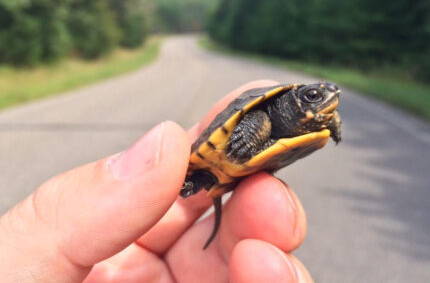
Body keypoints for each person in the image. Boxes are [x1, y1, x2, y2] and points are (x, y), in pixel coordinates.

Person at [0, 81, 314, 282]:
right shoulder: (267, 112)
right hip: (218, 158)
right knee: (207, 179)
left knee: (265, 220)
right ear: (292, 101)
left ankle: (203, 179)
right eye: (313, 97)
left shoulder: (315, 123)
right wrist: (247, 136)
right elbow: (256, 116)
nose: (328, 99)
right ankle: (199, 180)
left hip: (250, 170)